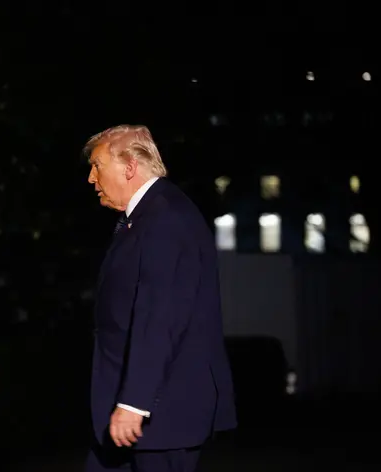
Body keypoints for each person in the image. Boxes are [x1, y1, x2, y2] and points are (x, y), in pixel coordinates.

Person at [83, 125, 237, 471]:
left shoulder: (166, 218)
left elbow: (160, 315)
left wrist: (134, 402)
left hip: (160, 414)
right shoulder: (146, 217)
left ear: (129, 167)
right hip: (133, 416)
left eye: (97, 166)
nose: (91, 178)